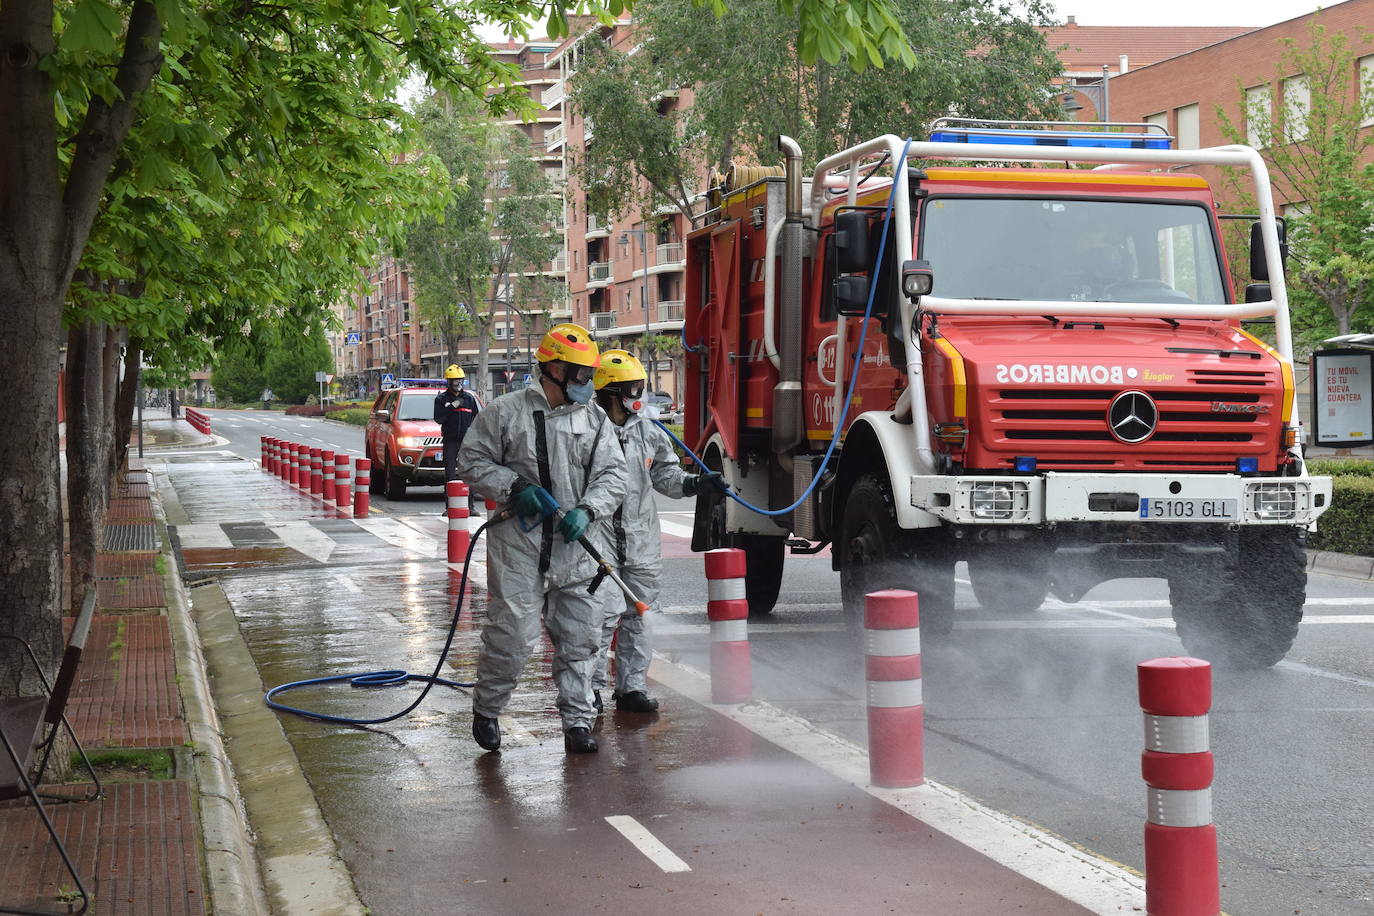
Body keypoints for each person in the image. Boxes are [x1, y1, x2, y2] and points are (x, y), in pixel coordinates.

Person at [456, 323, 628, 754]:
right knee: (511, 634)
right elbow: (471, 460)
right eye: (582, 375)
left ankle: (577, 723)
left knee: (581, 638)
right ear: (553, 368)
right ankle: (488, 709)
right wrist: (514, 487)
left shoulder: (595, 420)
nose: (589, 384)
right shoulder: (504, 412)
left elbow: (614, 474)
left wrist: (588, 510)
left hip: (578, 548)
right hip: (520, 546)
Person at [590, 350, 725, 715]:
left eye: (641, 387)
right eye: (633, 388)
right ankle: (590, 691)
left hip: (640, 539)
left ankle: (631, 687)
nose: (640, 395)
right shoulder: (584, 430)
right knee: (598, 619)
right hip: (595, 537)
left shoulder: (648, 432)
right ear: (610, 392)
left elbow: (665, 477)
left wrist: (697, 484)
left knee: (640, 613)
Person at [433, 364, 480, 482]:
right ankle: (450, 499)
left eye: (461, 381)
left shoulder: (469, 399)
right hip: (451, 441)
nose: (458, 384)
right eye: (455, 381)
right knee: (450, 473)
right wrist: (452, 407)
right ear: (449, 382)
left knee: (469, 473)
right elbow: (439, 418)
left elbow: (477, 418)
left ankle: (469, 499)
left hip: (467, 441)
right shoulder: (441, 399)